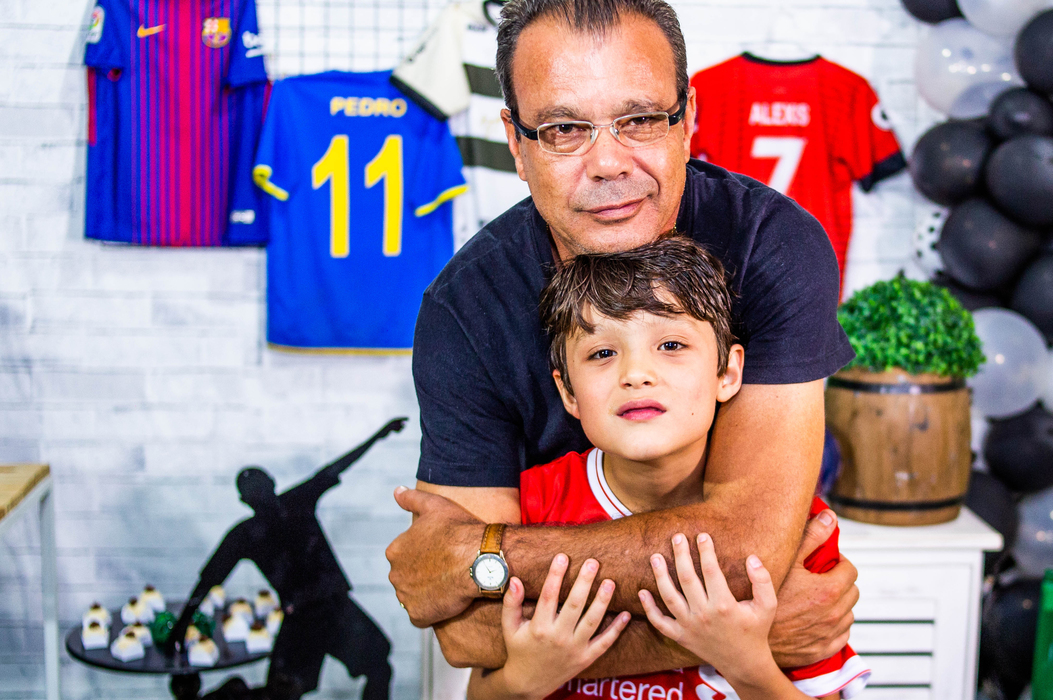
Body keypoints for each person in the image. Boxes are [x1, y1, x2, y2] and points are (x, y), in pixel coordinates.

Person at [386, 0, 859, 677]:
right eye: (564, 129)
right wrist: (740, 636)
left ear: (688, 119)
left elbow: (743, 551)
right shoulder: (464, 308)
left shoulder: (772, 244)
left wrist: (482, 556)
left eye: (639, 120)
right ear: (516, 144)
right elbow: (469, 634)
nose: (608, 163)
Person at [466, 238, 869, 700]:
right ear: (569, 392)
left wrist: (746, 663)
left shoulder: (791, 526)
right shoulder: (532, 507)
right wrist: (524, 680)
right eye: (603, 353)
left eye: (671, 344)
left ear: (727, 373)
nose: (636, 374)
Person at [171, 419, 406, 700]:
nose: (261, 497)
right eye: (255, 493)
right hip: (306, 616)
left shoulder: (289, 506)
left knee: (376, 664)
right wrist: (180, 627)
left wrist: (378, 436)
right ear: (247, 500)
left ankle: (231, 694)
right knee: (284, 690)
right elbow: (209, 579)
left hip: (332, 607)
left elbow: (335, 468)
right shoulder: (250, 532)